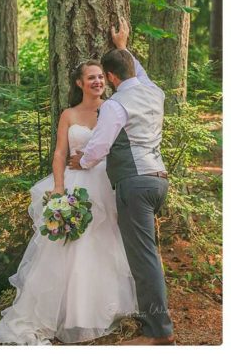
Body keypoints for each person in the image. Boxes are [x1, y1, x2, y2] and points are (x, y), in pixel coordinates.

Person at [0, 27, 138, 344]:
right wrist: (58, 188)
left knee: (104, 243)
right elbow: (60, 152)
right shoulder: (69, 114)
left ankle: (99, 310)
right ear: (79, 83)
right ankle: (66, 315)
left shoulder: (114, 108)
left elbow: (135, 85)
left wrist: (122, 47)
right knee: (71, 247)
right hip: (74, 184)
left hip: (106, 183)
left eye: (101, 76)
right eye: (91, 78)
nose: (97, 82)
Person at [68, 18, 175, 345]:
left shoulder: (115, 105)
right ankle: (153, 322)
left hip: (135, 184)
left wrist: (81, 161)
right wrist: (122, 46)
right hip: (159, 180)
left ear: (111, 78)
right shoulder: (154, 91)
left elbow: (99, 146)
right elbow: (136, 72)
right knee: (146, 255)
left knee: (144, 260)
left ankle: (160, 331)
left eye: (107, 76)